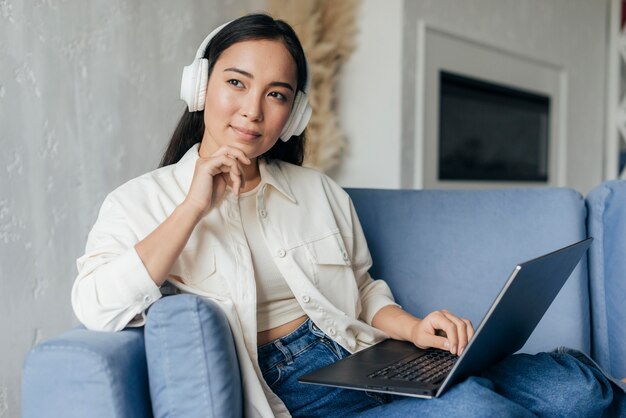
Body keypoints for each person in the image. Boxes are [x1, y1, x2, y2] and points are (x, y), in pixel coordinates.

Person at [71, 13, 625, 418]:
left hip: (365, 352)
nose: (252, 110)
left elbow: (361, 291)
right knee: (477, 409)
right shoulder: (139, 201)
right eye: (236, 83)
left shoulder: (319, 192)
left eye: (277, 94)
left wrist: (414, 327)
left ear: (293, 113)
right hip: (288, 385)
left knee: (581, 394)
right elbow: (96, 305)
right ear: (201, 86)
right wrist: (194, 207)